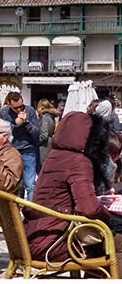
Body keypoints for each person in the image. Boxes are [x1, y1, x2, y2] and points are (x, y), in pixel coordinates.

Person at [25, 110, 122, 274]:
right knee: (117, 241)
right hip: (55, 243)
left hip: (36, 235)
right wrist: (109, 219)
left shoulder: (55, 156)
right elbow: (89, 209)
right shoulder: (78, 162)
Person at [1, 92, 39, 200]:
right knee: (15, 185)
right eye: (16, 108)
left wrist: (26, 122)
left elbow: (37, 133)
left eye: (21, 106)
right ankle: (15, 213)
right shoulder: (4, 112)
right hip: (11, 150)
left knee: (30, 184)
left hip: (28, 149)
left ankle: (31, 213)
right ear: (9, 104)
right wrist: (16, 125)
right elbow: (4, 132)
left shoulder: (29, 110)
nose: (19, 110)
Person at [37, 99, 61, 171]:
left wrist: (36, 142)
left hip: (44, 145)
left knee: (43, 166)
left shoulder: (45, 117)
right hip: (49, 142)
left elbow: (44, 135)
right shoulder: (51, 117)